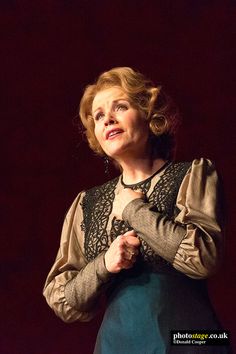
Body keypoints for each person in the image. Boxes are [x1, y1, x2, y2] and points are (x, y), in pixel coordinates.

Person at [43, 67, 229, 354]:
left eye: (120, 106)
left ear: (148, 114)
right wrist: (104, 264)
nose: (108, 120)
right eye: (99, 116)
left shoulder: (194, 174)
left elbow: (204, 258)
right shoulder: (87, 203)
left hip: (193, 341)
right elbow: (63, 300)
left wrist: (133, 209)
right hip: (117, 346)